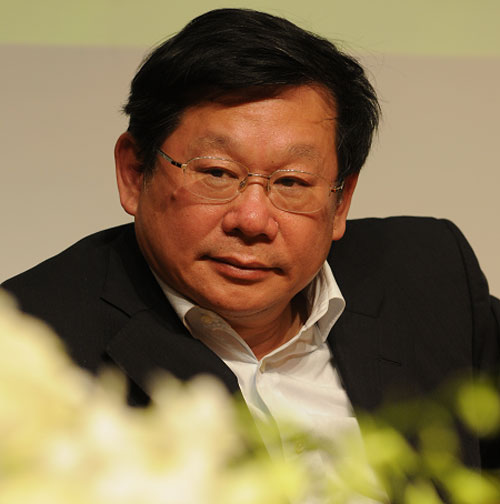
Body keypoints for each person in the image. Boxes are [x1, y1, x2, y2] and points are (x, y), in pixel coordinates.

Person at [3, 8, 499, 470]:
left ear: (340, 201)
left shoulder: (429, 276)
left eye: (292, 182)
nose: (253, 219)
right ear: (135, 173)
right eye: (217, 173)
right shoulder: (29, 350)